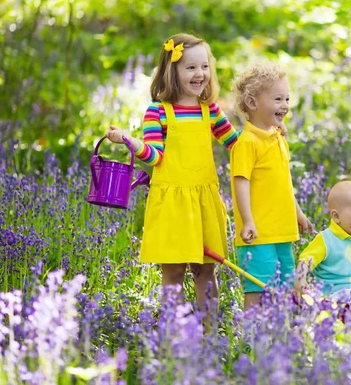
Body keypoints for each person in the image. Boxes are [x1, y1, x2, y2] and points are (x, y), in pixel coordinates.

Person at [105, 34, 288, 310]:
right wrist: (129, 142)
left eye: (204, 67)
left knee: (206, 271)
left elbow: (237, 144)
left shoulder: (210, 111)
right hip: (173, 205)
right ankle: (173, 332)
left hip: (203, 201)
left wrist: (266, 133)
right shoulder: (158, 113)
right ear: (172, 71)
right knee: (174, 273)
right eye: (190, 67)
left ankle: (209, 333)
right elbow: (154, 155)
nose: (199, 73)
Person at [230, 61, 314, 310]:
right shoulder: (247, 143)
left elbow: (283, 182)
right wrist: (247, 220)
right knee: (258, 285)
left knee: (287, 285)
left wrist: (297, 213)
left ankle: (279, 335)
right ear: (253, 103)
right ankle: (250, 336)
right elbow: (240, 183)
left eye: (287, 99)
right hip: (258, 234)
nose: (285, 105)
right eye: (278, 99)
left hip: (282, 230)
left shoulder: (278, 138)